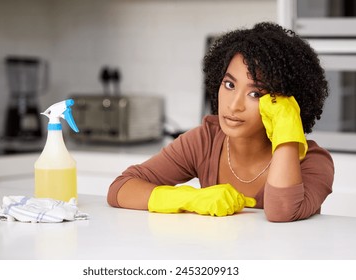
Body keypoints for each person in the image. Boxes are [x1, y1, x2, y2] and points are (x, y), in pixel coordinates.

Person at [107, 22, 334, 222]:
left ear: (286, 103)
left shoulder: (313, 162)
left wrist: (286, 125)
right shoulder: (205, 139)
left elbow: (283, 212)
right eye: (229, 85)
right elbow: (120, 188)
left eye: (255, 94)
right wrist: (190, 198)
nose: (234, 105)